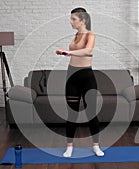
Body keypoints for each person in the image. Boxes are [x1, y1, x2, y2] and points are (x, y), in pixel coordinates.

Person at [56, 7, 104, 158]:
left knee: (91, 113)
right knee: (72, 113)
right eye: (71, 19)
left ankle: (96, 146)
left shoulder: (90, 35)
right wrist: (67, 53)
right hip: (72, 76)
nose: (71, 22)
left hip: (87, 77)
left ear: (83, 20)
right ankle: (69, 147)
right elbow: (77, 53)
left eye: (73, 19)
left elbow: (88, 51)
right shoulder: (76, 35)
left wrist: (68, 52)